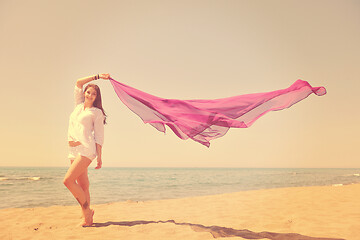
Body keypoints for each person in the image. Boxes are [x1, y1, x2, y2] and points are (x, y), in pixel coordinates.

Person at [63, 73, 110, 227]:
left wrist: (100, 156)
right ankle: (87, 219)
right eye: (88, 92)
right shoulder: (78, 105)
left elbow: (99, 136)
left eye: (94, 93)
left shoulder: (97, 113)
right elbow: (78, 81)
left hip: (86, 150)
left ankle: (87, 210)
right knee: (83, 185)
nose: (90, 95)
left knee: (68, 181)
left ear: (97, 97)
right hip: (73, 150)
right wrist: (97, 76)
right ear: (84, 93)